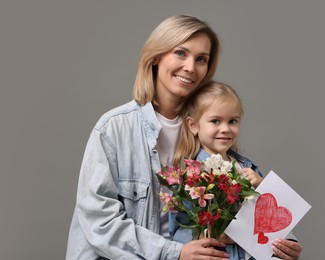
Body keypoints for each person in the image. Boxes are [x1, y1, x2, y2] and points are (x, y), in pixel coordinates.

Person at [66, 15, 231, 260]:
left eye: (201, 59)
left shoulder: (208, 128)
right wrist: (174, 253)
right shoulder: (114, 128)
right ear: (156, 56)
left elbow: (237, 196)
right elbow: (100, 223)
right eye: (180, 53)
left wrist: (283, 240)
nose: (190, 67)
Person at [170, 81, 303, 260]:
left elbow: (273, 216)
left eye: (232, 121)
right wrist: (213, 234)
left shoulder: (248, 169)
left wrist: (289, 244)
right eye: (215, 121)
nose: (225, 129)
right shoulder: (190, 176)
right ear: (193, 125)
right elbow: (178, 232)